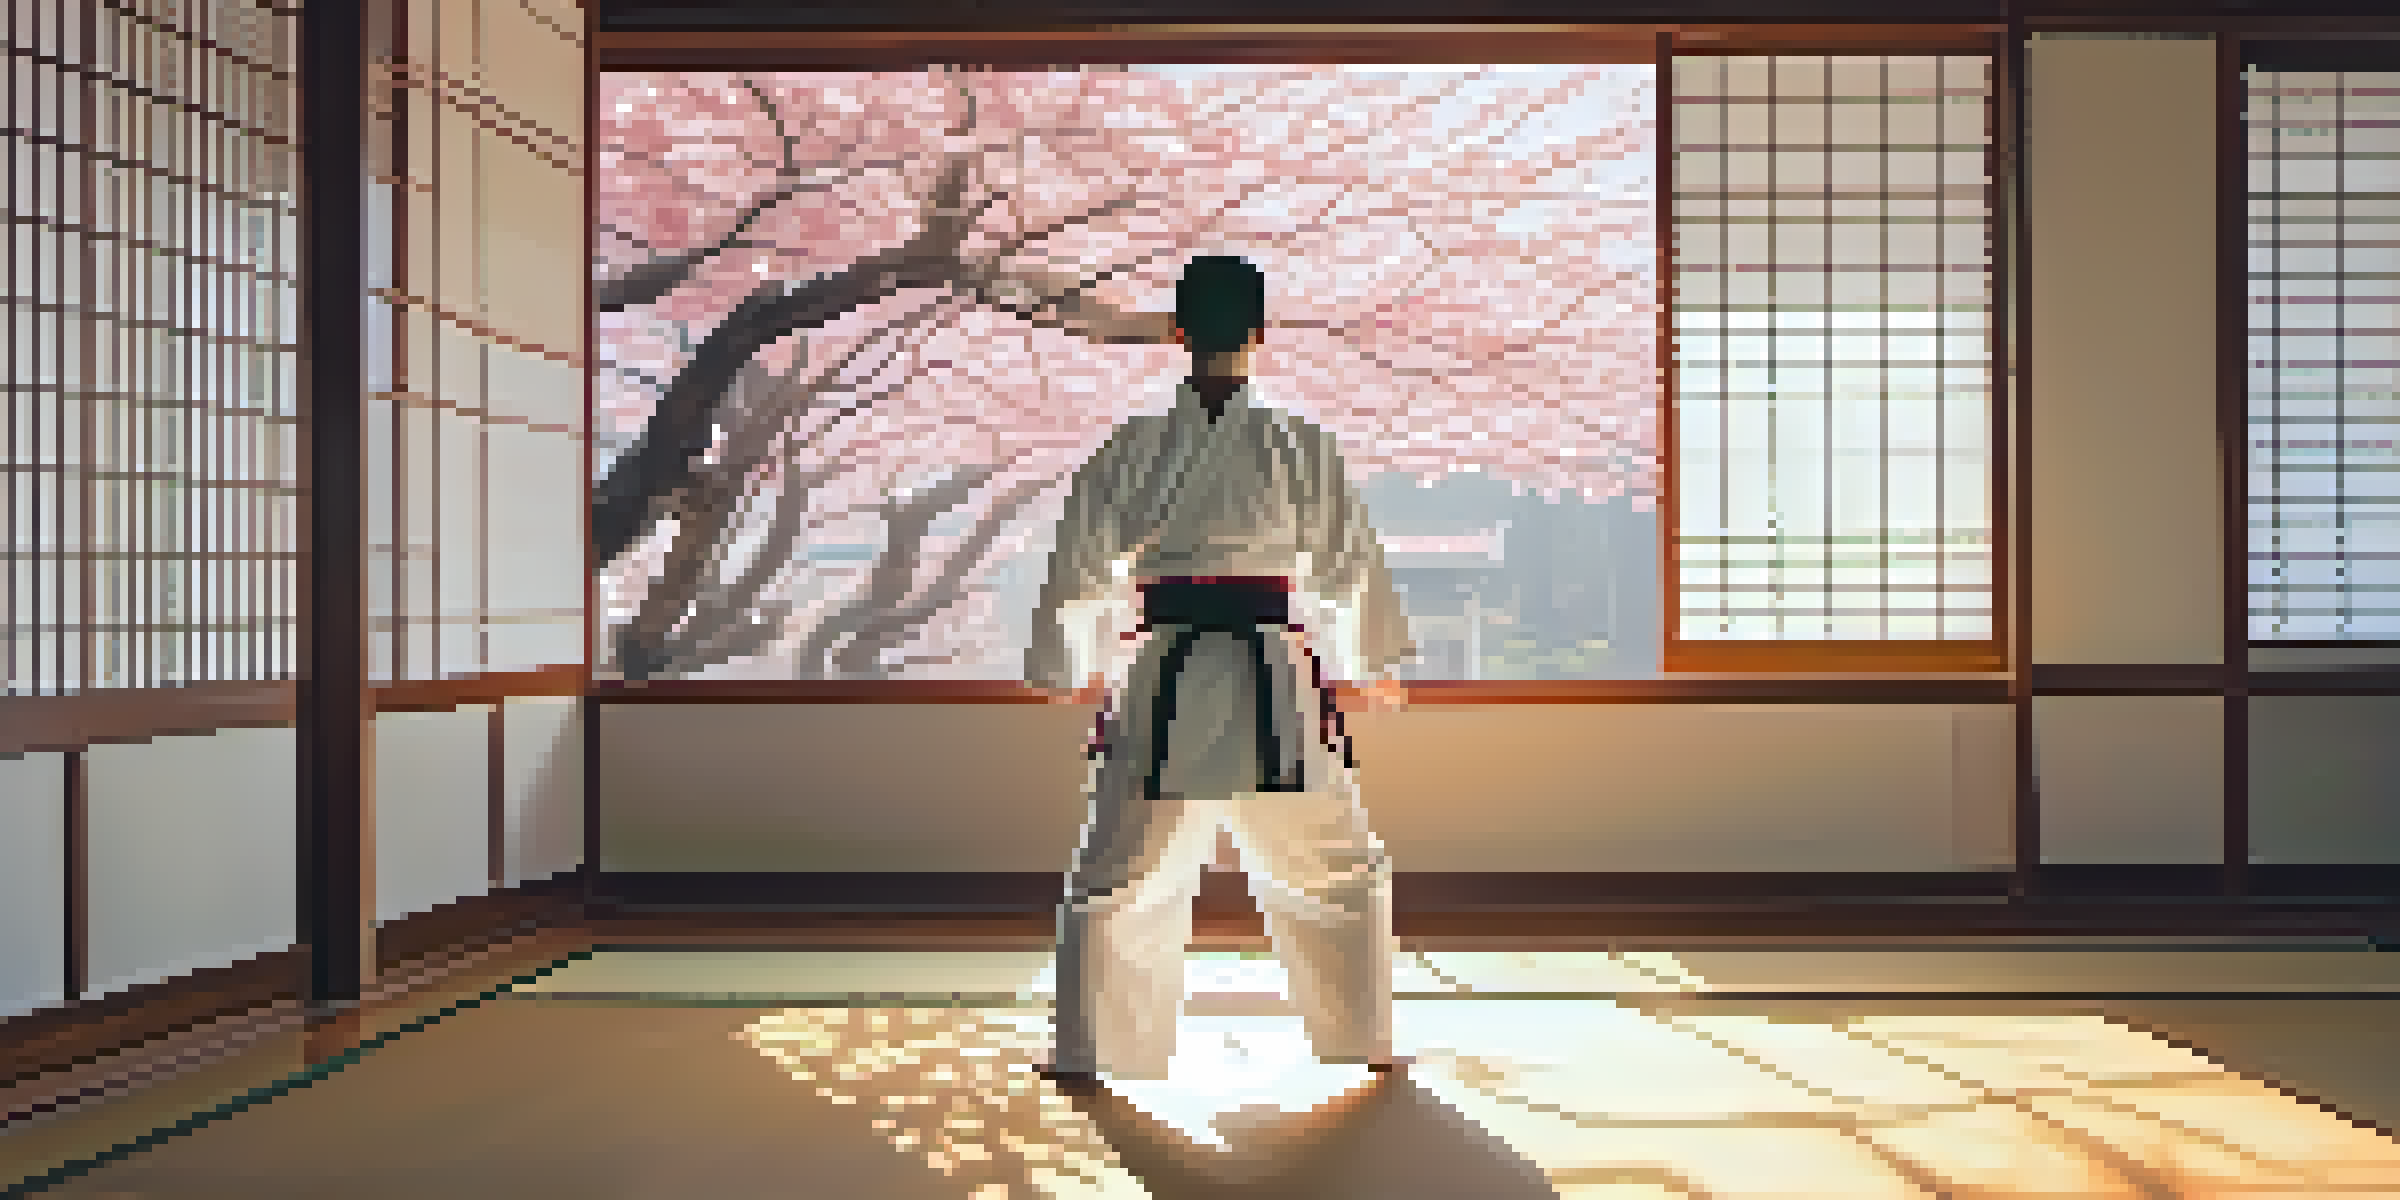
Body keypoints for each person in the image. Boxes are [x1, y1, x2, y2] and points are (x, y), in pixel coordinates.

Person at [1026, 255, 1416, 1083]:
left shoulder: (1132, 446)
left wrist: (1063, 662)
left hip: (1167, 665)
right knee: (1333, 864)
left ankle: (1091, 1049)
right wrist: (1373, 658)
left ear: (1175, 333)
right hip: (1264, 668)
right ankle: (1360, 1038)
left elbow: (1078, 565)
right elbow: (1348, 560)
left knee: (1120, 869)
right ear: (1261, 334)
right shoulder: (1300, 445)